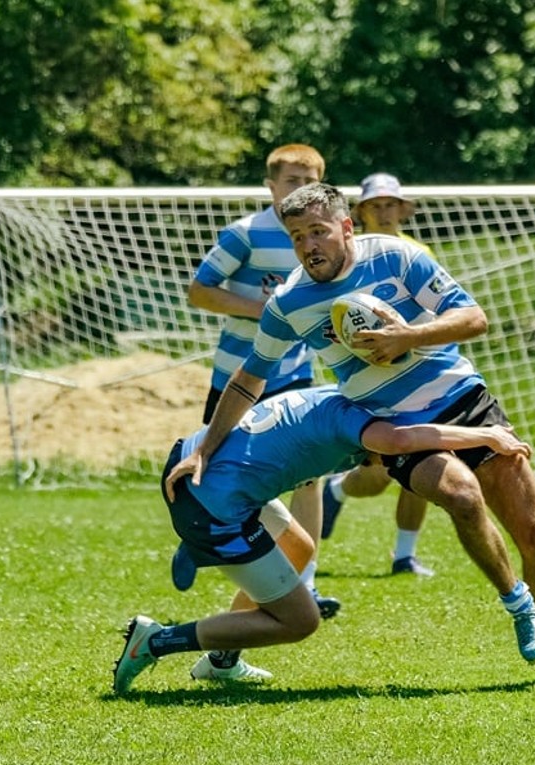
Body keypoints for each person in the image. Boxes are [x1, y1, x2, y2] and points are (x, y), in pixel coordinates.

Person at [165, 182, 535, 683]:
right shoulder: (288, 303)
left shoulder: (397, 256)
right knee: (459, 494)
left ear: (346, 228)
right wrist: (205, 450)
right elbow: (247, 379)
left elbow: (474, 318)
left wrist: (408, 337)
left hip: (465, 401)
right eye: (298, 236)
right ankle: (521, 610)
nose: (309, 246)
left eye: (319, 232)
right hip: (393, 423)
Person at [113, 385, 534, 693]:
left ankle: (222, 659)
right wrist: (486, 435)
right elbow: (400, 440)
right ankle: (156, 641)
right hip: (213, 505)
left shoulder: (336, 397)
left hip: (208, 474)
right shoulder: (357, 422)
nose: (390, 466)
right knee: (300, 620)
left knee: (298, 547)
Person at [183, 143, 339, 618]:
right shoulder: (245, 235)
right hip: (238, 375)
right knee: (217, 474)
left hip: (295, 374)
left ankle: (303, 582)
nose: (300, 189)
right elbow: (199, 291)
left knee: (309, 479)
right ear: (271, 186)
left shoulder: (324, 237)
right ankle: (196, 541)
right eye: (291, 181)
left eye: (309, 180)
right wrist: (266, 312)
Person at [320, 172, 434, 577]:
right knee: (379, 475)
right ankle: (334, 491)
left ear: (403, 209)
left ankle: (405, 556)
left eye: (391, 204)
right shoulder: (346, 258)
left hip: (418, 373)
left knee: (427, 460)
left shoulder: (419, 252)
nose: (384, 212)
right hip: (367, 379)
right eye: (375, 205)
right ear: (361, 212)